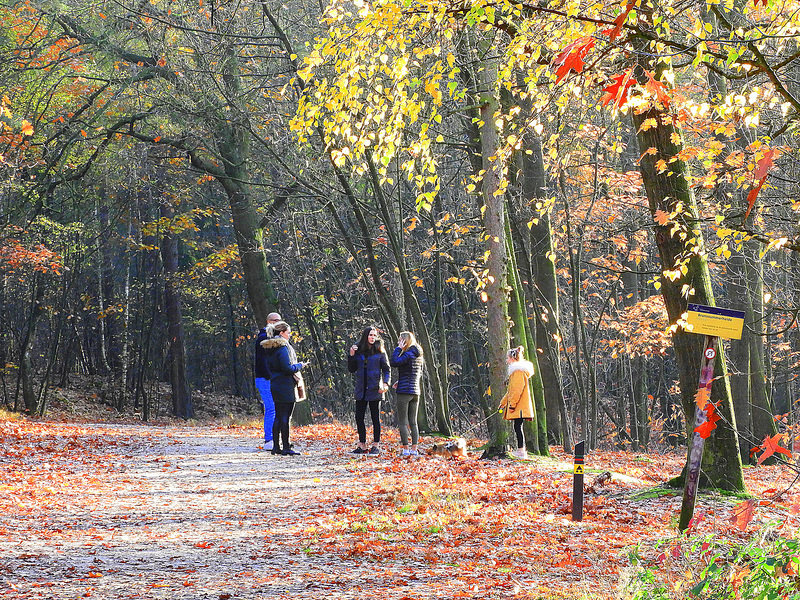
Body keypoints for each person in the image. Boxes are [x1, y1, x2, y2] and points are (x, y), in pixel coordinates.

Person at [261, 321, 308, 456]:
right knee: (285, 417)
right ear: (281, 333)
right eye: (288, 333)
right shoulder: (282, 348)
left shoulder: (270, 348)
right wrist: (299, 365)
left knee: (278, 416)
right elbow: (287, 368)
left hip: (275, 384)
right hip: (285, 385)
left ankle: (276, 446)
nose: (289, 335)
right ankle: (286, 446)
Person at [348, 326, 390, 455]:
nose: (372, 337)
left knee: (375, 418)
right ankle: (362, 445)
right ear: (366, 336)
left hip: (375, 389)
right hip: (361, 388)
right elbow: (351, 369)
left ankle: (376, 445)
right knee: (359, 417)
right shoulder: (358, 349)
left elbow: (387, 369)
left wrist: (385, 383)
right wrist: (351, 355)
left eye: (374, 335)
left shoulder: (380, 350)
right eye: (370, 335)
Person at [389, 331, 424, 457]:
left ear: (405, 341)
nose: (398, 342)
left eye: (400, 340)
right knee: (413, 422)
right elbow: (414, 372)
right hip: (415, 391)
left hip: (404, 392)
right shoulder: (418, 354)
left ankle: (406, 449)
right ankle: (414, 449)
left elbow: (394, 362)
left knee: (403, 422)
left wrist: (398, 348)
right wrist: (400, 380)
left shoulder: (408, 353)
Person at [499, 345, 535, 459]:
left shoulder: (518, 372)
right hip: (518, 405)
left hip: (519, 405)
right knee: (517, 426)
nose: (506, 360)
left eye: (507, 358)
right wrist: (503, 403)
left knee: (518, 427)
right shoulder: (516, 372)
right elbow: (510, 391)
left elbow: (516, 391)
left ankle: (521, 451)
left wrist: (512, 405)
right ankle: (521, 450)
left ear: (513, 358)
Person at [254, 312, 282, 450]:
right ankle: (269, 440)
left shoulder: (275, 338)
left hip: (271, 378)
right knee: (271, 408)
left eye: (279, 320)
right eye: (275, 321)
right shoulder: (264, 338)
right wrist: (270, 376)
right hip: (265, 379)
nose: (278, 323)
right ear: (269, 322)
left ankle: (277, 439)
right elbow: (262, 361)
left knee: (276, 408)